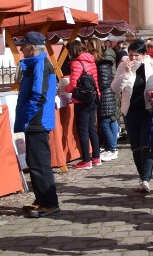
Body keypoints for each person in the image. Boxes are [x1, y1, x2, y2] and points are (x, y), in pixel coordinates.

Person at [112, 39, 153, 194]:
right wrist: (126, 73)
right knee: (136, 147)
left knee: (147, 145)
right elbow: (115, 88)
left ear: (144, 55)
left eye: (136, 55)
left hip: (150, 110)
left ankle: (146, 180)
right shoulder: (123, 66)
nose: (132, 59)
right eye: (130, 55)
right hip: (130, 111)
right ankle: (141, 177)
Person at [14, 32, 60, 218]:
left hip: (37, 120)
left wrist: (27, 115)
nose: (20, 48)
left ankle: (49, 203)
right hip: (35, 120)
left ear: (32, 48)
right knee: (34, 162)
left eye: (23, 45)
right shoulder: (37, 63)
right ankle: (42, 199)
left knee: (39, 163)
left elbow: (39, 95)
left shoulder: (40, 63)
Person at [62, 39, 101, 170]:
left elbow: (73, 84)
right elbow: (95, 80)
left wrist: (64, 89)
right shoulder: (91, 60)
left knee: (83, 131)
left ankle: (86, 160)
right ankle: (96, 157)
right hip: (93, 97)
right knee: (92, 129)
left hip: (82, 100)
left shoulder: (76, 63)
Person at [85, 37, 119, 161]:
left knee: (105, 122)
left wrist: (95, 86)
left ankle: (112, 148)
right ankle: (112, 147)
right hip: (108, 93)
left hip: (105, 94)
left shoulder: (102, 64)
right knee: (111, 120)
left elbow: (104, 82)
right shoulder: (104, 62)